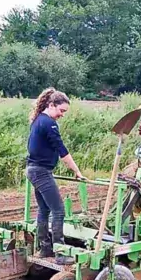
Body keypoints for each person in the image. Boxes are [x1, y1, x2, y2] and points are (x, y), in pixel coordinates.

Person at [26, 87, 83, 264]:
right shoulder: (49, 123)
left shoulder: (38, 120)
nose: (62, 115)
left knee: (44, 209)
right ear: (51, 105)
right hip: (41, 172)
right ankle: (60, 253)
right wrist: (77, 171)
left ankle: (45, 249)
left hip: (33, 170)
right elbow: (62, 150)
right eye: (61, 110)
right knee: (59, 210)